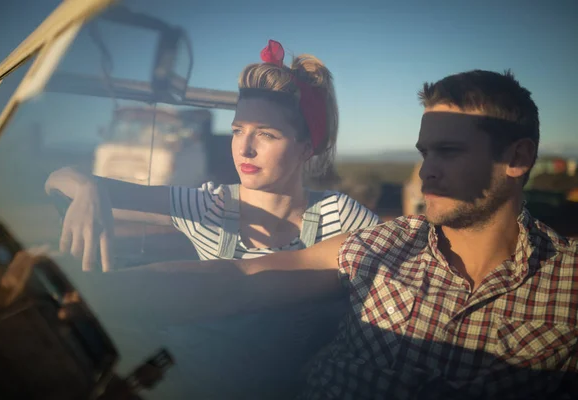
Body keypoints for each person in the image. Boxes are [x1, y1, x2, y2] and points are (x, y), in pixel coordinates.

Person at [79, 69, 578, 399]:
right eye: (424, 154)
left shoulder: (567, 286)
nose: (426, 172)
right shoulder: (384, 245)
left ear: (516, 158)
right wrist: (91, 294)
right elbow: (237, 277)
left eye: (448, 153)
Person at [45, 39, 380, 399]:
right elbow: (57, 180)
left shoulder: (342, 217)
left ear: (306, 147)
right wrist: (88, 187)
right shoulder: (210, 206)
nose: (244, 148)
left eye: (265, 134)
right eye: (238, 130)